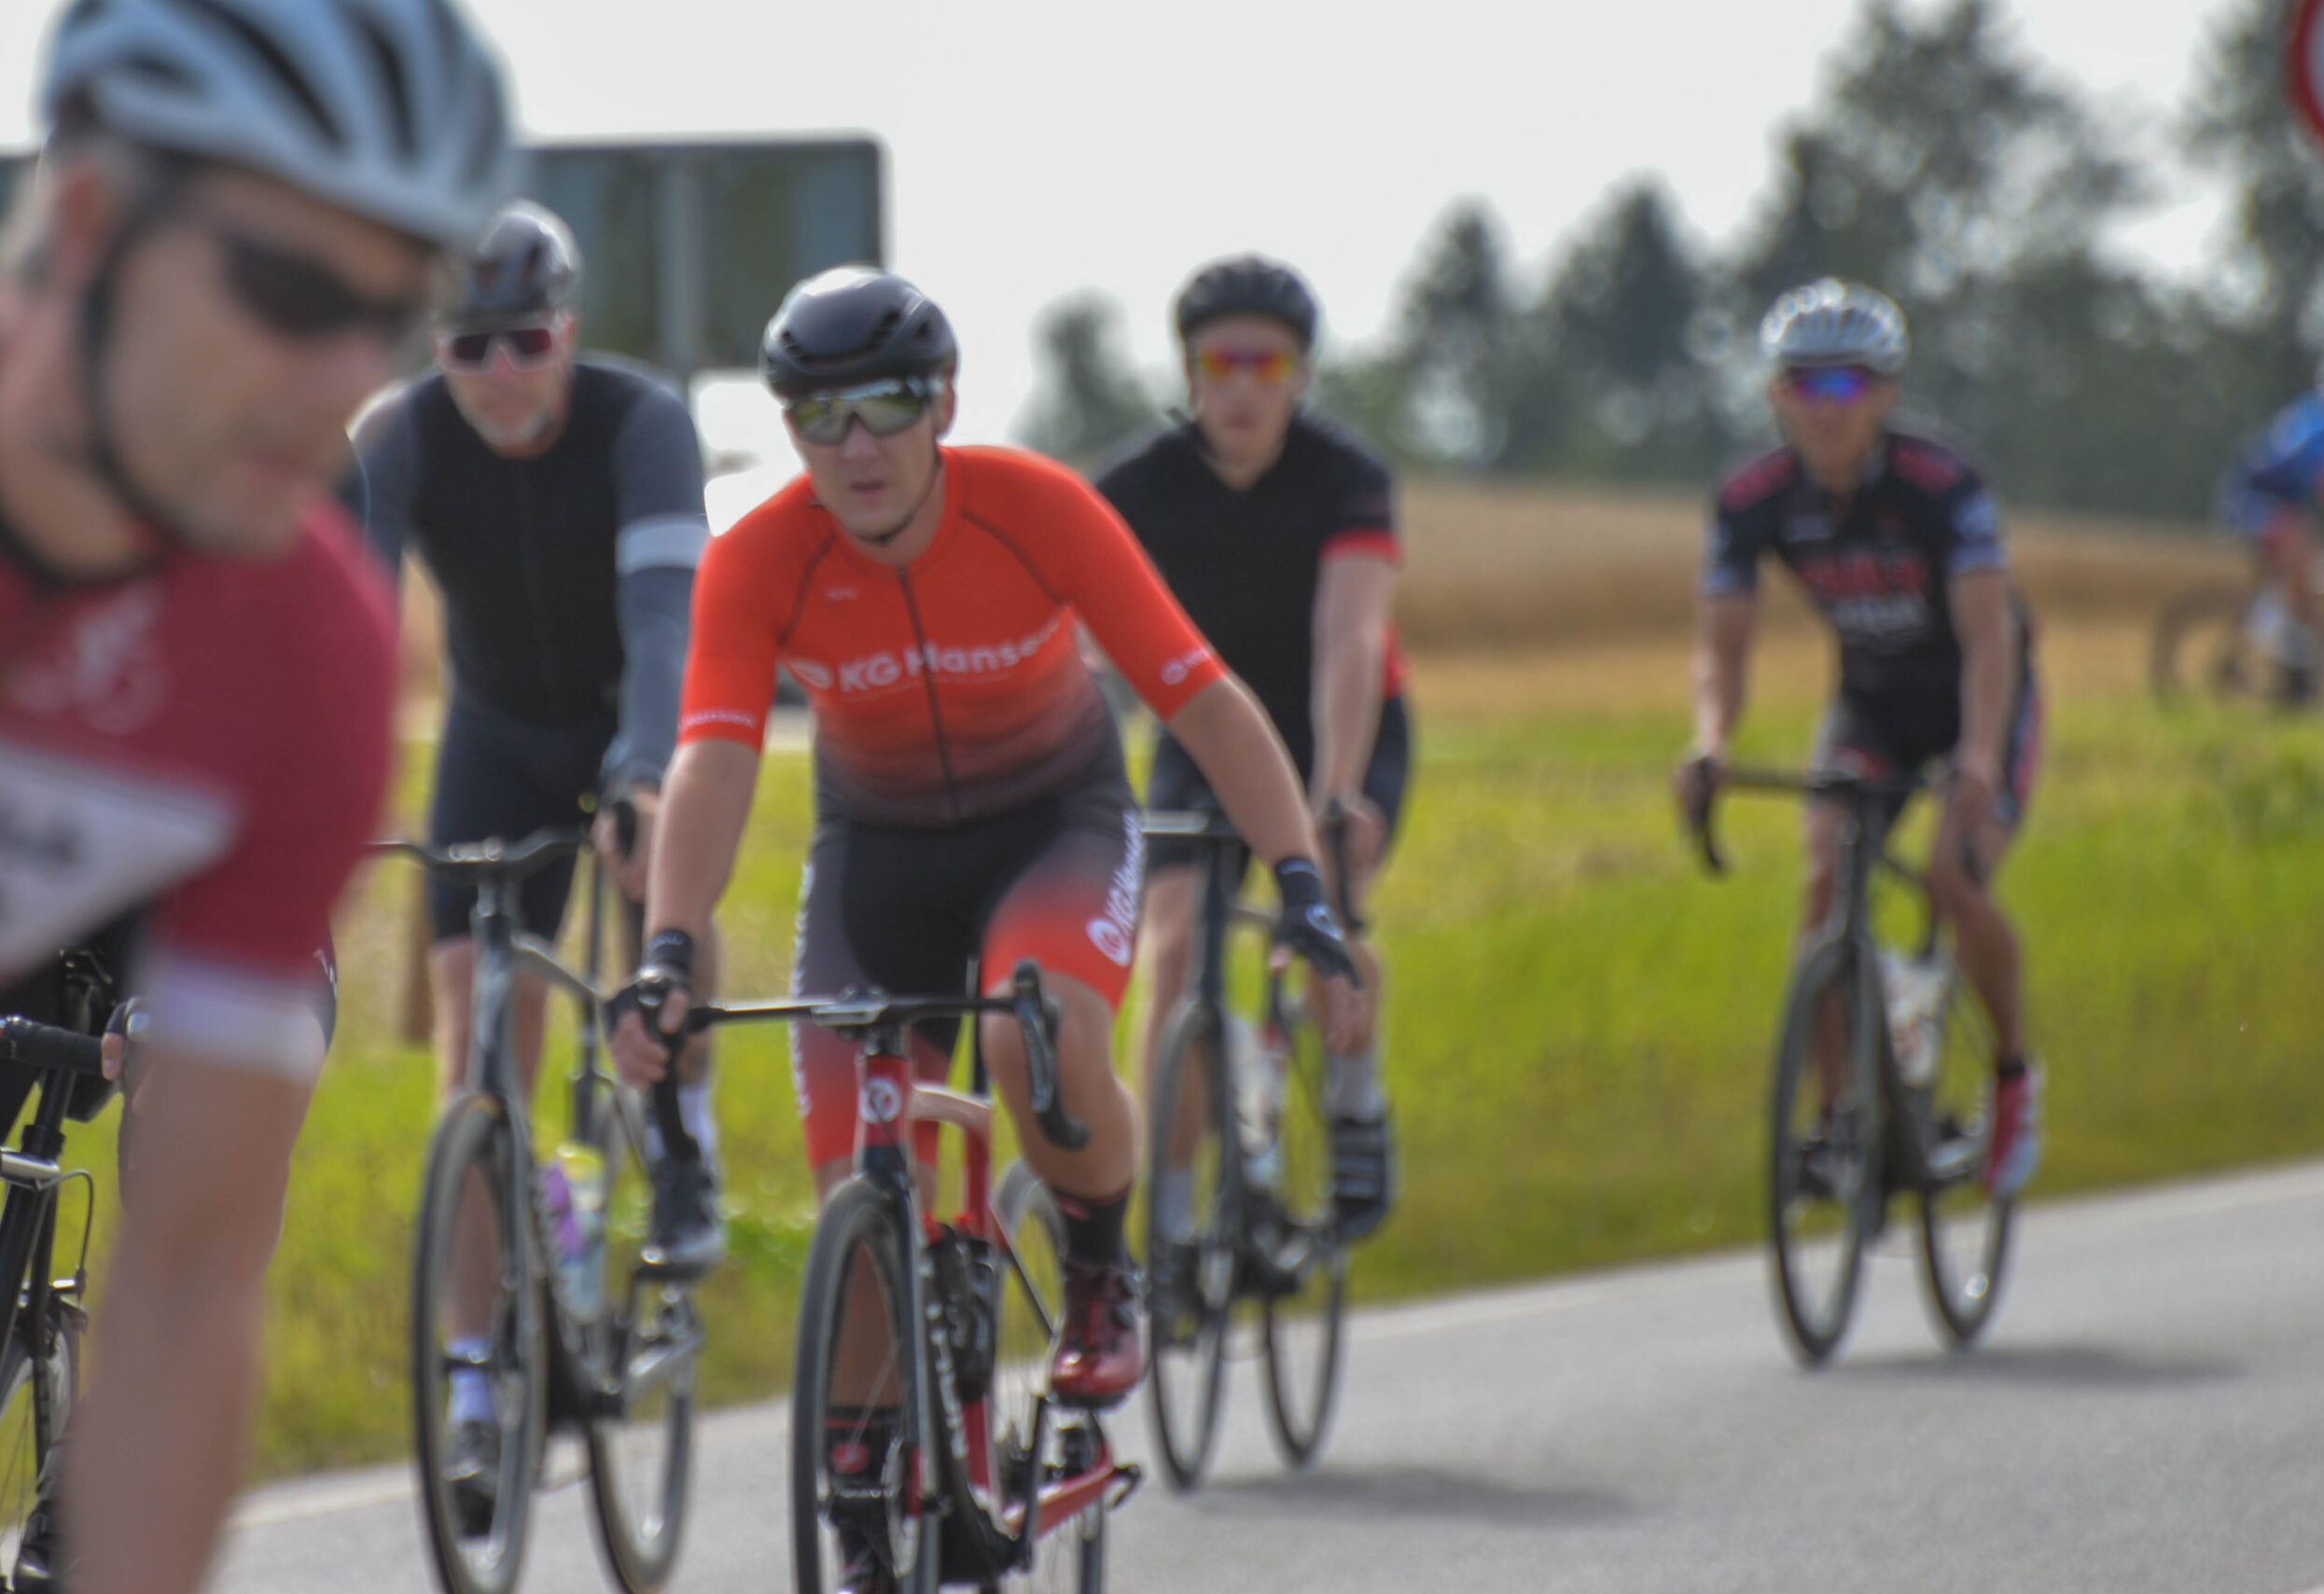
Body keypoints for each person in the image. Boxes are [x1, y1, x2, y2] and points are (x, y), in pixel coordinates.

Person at [606, 264, 1356, 1590]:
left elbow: (1200, 697)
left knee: (1035, 1036)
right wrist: (668, 947)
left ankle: (1100, 1264)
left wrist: (1299, 878)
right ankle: (864, 1494)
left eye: (888, 406)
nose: (858, 446)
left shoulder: (1034, 510)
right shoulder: (760, 556)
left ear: (944, 402)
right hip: (878, 856)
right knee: (858, 1186)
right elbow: (713, 757)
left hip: (1053, 822)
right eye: (820, 416)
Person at [0, 4, 516, 1592]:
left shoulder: (316, 642)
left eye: (390, 309)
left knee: (229, 1112)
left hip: (156, 911)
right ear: (94, 223)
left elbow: (190, 1293)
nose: (346, 376)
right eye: (294, 293)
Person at [353, 199, 725, 1278]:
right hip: (498, 732)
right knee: (476, 1044)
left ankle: (683, 1139)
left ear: (568, 331)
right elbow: (351, 626)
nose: (503, 371)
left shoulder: (642, 421)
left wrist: (645, 772)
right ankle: (477, 1358)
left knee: (663, 885)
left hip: (632, 711)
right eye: (471, 347)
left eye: (527, 339)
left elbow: (663, 626)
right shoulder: (398, 432)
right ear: (436, 350)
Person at [1673, 279, 2044, 1199]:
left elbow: (1989, 636)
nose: (1825, 405)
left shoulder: (1941, 483)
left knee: (1954, 875)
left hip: (1978, 698)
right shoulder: (1752, 495)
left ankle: (2012, 1075)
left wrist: (1979, 755)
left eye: (1847, 384)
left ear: (1886, 392)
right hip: (1872, 702)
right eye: (1804, 384)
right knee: (1823, 879)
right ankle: (1839, 1119)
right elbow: (1722, 645)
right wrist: (1711, 740)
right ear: (1775, 394)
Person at [1096, 254, 1408, 1243]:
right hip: (1204, 732)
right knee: (1174, 948)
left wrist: (1337, 788)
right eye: (1219, 363)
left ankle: (1354, 1103)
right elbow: (1085, 653)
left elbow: (1349, 639)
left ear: (1301, 374)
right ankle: (1170, 1220)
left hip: (1339, 724)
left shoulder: (1347, 479)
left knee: (1323, 909)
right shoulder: (1135, 487)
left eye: (1266, 366)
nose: (1241, 388)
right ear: (1188, 370)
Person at [2216, 337, 2324, 701]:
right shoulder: (2315, 428)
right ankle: (2293, 669)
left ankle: (2300, 671)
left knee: (2310, 578)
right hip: (2255, 499)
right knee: (2307, 553)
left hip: (2288, 506)